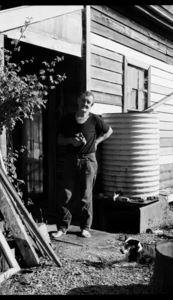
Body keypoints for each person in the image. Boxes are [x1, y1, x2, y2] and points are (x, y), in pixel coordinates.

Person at [52, 91, 113, 238]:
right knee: (66, 194)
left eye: (88, 103)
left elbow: (109, 131)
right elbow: (59, 140)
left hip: (88, 160)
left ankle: (85, 227)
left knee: (85, 195)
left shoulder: (94, 120)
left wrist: (96, 142)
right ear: (78, 101)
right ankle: (62, 227)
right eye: (83, 101)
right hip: (71, 159)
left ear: (91, 105)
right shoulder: (67, 119)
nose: (85, 104)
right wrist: (71, 141)